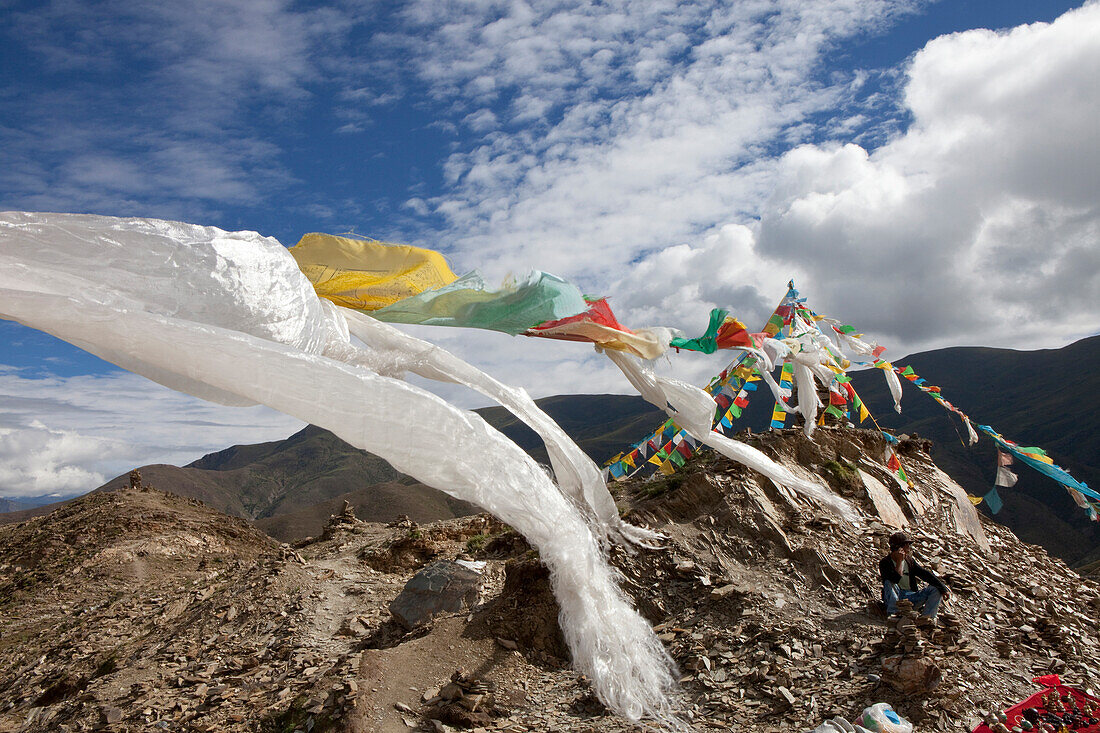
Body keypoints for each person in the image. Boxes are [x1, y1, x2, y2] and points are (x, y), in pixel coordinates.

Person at [879, 531, 949, 620]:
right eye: (906, 545)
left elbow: (925, 574)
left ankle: (927, 619)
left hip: (910, 596)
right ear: (899, 547)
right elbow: (895, 579)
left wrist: (943, 588)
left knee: (936, 589)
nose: (909, 548)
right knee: (889, 582)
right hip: (895, 597)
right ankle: (894, 614)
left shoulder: (909, 561)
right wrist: (899, 561)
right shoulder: (885, 563)